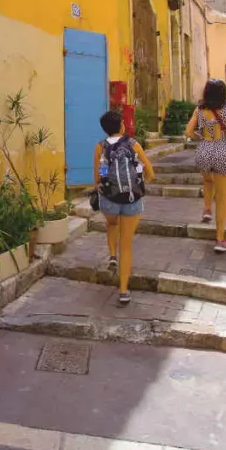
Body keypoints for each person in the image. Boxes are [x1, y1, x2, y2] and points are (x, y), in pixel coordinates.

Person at [94, 111, 154, 305]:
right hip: (132, 200)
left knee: (112, 224)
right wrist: (137, 177)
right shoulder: (133, 144)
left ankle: (112, 255)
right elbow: (149, 172)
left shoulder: (100, 147)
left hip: (109, 201)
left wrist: (108, 182)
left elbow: (99, 177)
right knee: (126, 244)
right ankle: (123, 290)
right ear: (121, 125)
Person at [184, 79, 226, 253]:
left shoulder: (199, 109)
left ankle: (206, 209)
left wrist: (201, 136)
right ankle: (220, 239)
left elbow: (188, 131)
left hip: (204, 149)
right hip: (222, 149)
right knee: (221, 199)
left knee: (207, 180)